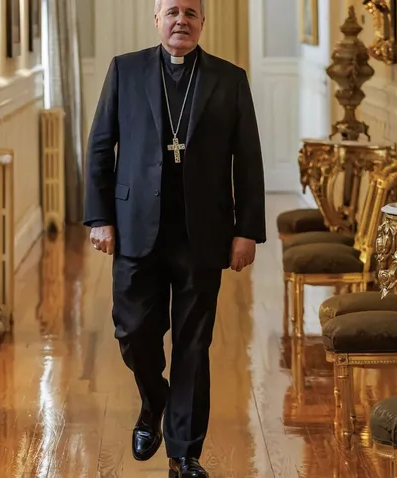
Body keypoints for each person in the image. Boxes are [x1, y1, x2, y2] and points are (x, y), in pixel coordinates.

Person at [83, 0, 265, 475]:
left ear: (202, 22)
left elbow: (248, 159)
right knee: (133, 332)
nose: (181, 20)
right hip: (135, 227)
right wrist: (99, 218)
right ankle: (154, 401)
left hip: (201, 232)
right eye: (172, 12)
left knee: (193, 343)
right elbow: (100, 146)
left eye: (190, 12)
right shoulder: (125, 71)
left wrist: (247, 230)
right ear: (157, 20)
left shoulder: (229, 79)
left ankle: (184, 453)